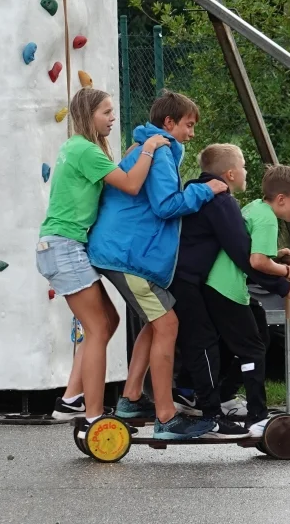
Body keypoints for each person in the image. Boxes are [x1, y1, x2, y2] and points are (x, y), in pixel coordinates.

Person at [87, 91, 227, 441]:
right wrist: (207, 190)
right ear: (169, 123)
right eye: (188, 125)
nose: (192, 133)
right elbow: (167, 205)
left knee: (156, 323)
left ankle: (132, 398)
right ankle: (166, 417)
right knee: (168, 324)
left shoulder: (151, 147)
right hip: (126, 255)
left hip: (126, 252)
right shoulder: (161, 151)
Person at [36, 88, 172, 425]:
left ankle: (71, 400)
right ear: (88, 115)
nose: (113, 118)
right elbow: (130, 185)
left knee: (108, 321)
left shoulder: (77, 147)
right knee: (98, 328)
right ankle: (94, 415)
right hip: (64, 247)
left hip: (62, 246)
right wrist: (149, 148)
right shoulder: (86, 150)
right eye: (106, 113)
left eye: (112, 111)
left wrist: (133, 154)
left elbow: (113, 179)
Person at [174, 150, 290, 438]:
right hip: (226, 288)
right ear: (281, 199)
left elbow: (248, 248)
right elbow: (256, 261)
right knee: (252, 349)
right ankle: (256, 417)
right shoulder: (266, 219)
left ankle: (225, 396)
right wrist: (286, 280)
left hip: (217, 285)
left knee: (254, 336)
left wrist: (277, 257)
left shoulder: (253, 208)